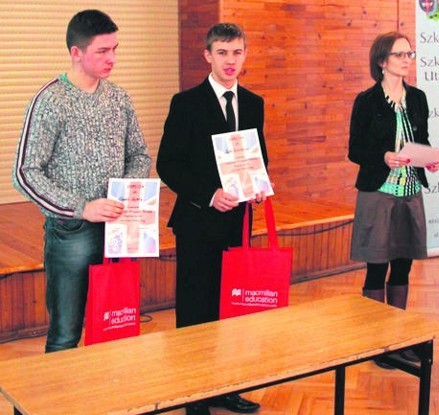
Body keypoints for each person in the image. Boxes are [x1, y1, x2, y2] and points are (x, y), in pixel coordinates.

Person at [12, 9, 151, 353]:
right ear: (76, 53)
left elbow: (141, 155)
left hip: (118, 230)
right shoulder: (50, 101)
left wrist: (126, 194)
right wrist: (82, 208)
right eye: (102, 51)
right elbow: (26, 173)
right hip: (71, 233)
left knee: (115, 327)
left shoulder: (119, 99)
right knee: (65, 334)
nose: (112, 59)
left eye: (115, 49)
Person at [156, 23, 265, 415]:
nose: (230, 60)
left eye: (237, 53)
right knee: (195, 310)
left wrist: (258, 185)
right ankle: (194, 398)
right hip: (198, 222)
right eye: (222, 53)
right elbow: (167, 164)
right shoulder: (185, 103)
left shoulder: (254, 103)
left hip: (237, 224)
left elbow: (258, 158)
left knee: (230, 312)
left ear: (244, 55)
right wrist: (209, 194)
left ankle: (225, 388)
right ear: (208, 55)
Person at [348, 32, 439, 368]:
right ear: (382, 61)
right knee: (377, 265)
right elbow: (355, 150)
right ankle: (377, 342)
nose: (406, 59)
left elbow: (423, 138)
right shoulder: (367, 101)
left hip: (410, 190)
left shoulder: (417, 98)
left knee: (404, 264)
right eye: (400, 54)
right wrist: (384, 156)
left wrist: (428, 158)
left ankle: (398, 337)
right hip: (379, 191)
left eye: (409, 54)